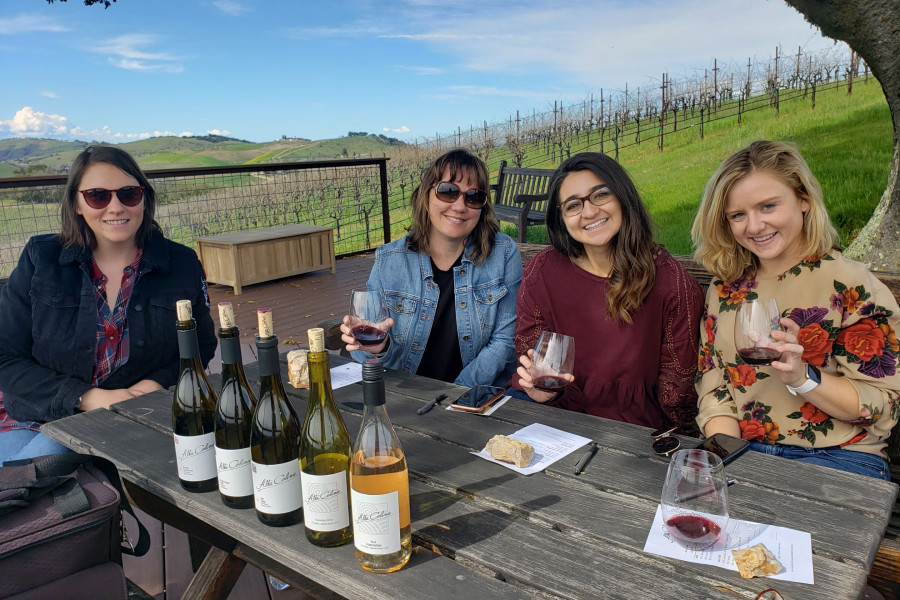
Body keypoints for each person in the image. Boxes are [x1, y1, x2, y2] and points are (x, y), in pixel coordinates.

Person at [692, 140, 900, 480]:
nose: (755, 226)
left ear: (803, 200)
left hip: (838, 457)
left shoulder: (849, 285)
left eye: (768, 206)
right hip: (743, 450)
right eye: (738, 215)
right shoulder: (725, 287)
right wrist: (724, 451)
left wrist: (804, 378)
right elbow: (713, 381)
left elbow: (882, 405)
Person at [0, 145, 216, 463]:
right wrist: (87, 397)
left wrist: (152, 385)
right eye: (98, 196)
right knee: (33, 474)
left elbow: (200, 343)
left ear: (144, 199)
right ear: (76, 203)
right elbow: (5, 358)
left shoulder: (180, 264)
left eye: (129, 194)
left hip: (135, 417)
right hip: (39, 418)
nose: (115, 207)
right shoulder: (41, 259)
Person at [511, 152, 703, 434]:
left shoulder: (671, 282)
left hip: (634, 430)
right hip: (557, 416)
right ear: (561, 218)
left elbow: (678, 388)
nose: (589, 212)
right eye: (573, 205)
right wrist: (541, 389)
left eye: (600, 195)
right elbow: (531, 353)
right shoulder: (544, 270)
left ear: (623, 197)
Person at [340, 148, 521, 388]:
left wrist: (454, 394)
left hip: (473, 397)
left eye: (473, 196)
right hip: (404, 395)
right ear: (426, 196)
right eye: (448, 191)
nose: (459, 206)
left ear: (483, 207)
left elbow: (503, 342)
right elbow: (365, 353)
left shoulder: (503, 254)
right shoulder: (390, 260)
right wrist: (377, 348)